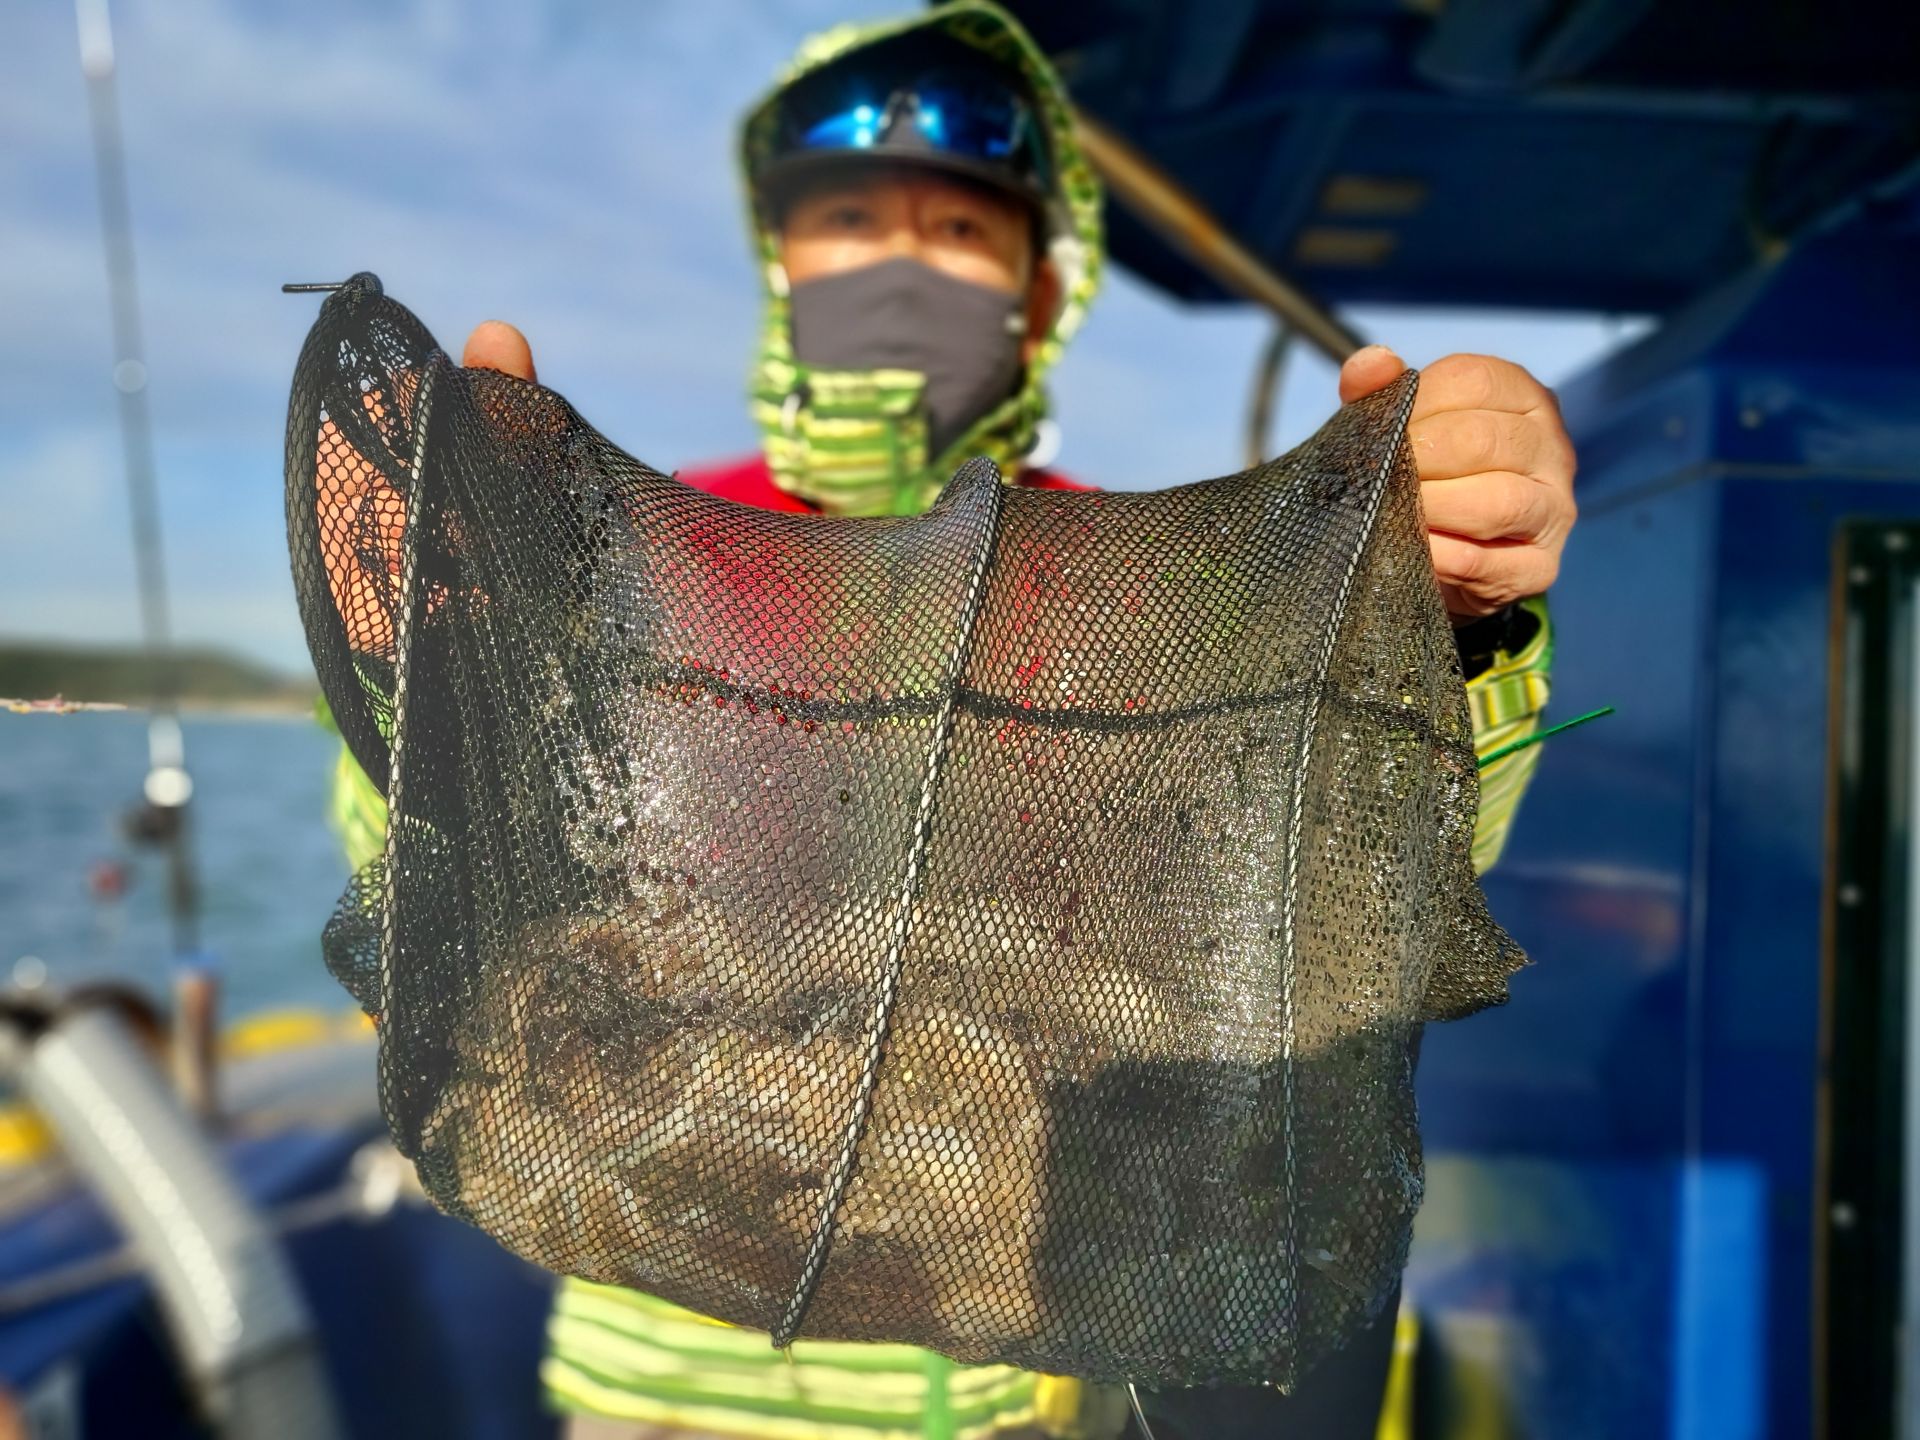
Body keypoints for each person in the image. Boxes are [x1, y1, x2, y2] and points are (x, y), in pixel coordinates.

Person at [321, 4, 1571, 1437]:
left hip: (1026, 1377)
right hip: (672, 1386)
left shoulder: (1161, 587)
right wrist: (420, 662)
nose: (903, 264)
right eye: (849, 217)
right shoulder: (622, 558)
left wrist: (1445, 625)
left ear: (1043, 289)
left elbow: (1359, 906)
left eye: (964, 228)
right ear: (781, 262)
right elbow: (437, 918)